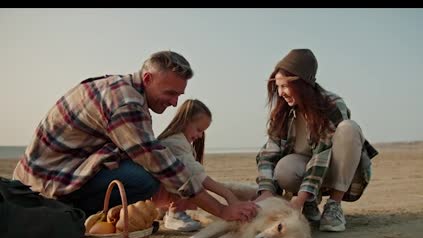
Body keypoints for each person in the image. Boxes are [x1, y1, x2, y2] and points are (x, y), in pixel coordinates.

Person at [12, 51, 257, 223]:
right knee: (145, 178)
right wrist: (222, 211)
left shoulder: (124, 89)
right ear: (148, 78)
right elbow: (162, 166)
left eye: (179, 95)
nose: (174, 103)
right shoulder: (126, 103)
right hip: (47, 180)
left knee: (144, 170)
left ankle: (101, 216)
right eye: (170, 93)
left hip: (62, 168)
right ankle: (69, 216)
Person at [254, 49, 378, 232]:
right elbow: (269, 153)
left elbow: (323, 154)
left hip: (336, 168)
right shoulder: (283, 111)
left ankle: (333, 206)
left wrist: (301, 198)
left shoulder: (332, 104)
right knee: (283, 169)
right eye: (277, 86)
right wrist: (266, 192)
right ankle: (311, 203)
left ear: (303, 84)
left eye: (285, 86)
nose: (280, 93)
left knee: (349, 128)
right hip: (305, 168)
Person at [152, 99, 243, 231]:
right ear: (186, 121)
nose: (200, 135)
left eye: (202, 132)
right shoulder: (175, 143)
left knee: (194, 179)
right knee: (191, 180)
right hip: (152, 193)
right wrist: (228, 195)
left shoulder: (182, 142)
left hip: (156, 192)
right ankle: (175, 214)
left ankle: (168, 210)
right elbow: (197, 175)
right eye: (199, 130)